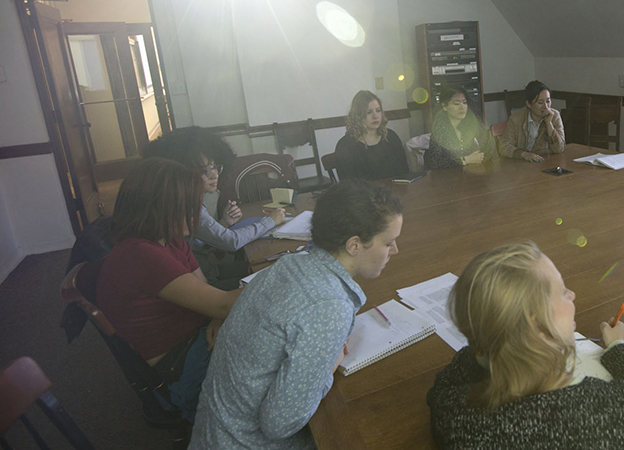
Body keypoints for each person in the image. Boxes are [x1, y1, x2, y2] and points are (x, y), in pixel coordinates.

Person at [191, 180, 404, 449]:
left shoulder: (290, 264)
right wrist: (331, 363)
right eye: (389, 242)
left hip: (214, 431)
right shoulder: (328, 305)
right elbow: (279, 424)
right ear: (354, 245)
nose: (395, 251)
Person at [427, 241, 624, 449]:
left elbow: (444, 387)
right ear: (539, 327)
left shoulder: (457, 418)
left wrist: (491, 343)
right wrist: (619, 350)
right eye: (561, 291)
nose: (572, 295)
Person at [96, 158, 242, 423]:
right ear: (160, 207)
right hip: (182, 367)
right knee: (279, 347)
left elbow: (207, 294)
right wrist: (287, 276)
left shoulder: (171, 240)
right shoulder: (139, 254)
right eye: (189, 206)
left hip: (194, 338)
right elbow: (221, 303)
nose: (197, 213)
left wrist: (217, 315)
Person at [143, 127, 287, 289]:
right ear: (182, 173)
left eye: (215, 167)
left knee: (272, 267)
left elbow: (201, 241)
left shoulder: (190, 201)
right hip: (208, 283)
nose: (214, 175)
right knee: (274, 280)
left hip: (210, 272)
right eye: (205, 170)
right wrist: (270, 221)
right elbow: (231, 242)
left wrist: (224, 223)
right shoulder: (188, 207)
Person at [332, 90, 410, 180]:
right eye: (369, 112)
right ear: (358, 115)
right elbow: (349, 186)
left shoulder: (391, 137)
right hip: (364, 193)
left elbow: (404, 173)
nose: (375, 116)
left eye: (378, 110)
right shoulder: (345, 146)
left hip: (394, 192)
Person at [424, 85, 498, 170]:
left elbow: (488, 151)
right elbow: (434, 162)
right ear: (444, 106)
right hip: (448, 178)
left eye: (464, 102)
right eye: (456, 103)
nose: (462, 107)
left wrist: (479, 159)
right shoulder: (440, 128)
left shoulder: (474, 123)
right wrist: (465, 160)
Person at [498, 80, 565, 162]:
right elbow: (503, 146)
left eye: (548, 101)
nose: (546, 107)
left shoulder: (554, 116)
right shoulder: (515, 119)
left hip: (544, 163)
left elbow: (559, 148)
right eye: (540, 102)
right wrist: (524, 154)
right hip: (520, 165)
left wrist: (549, 124)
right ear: (529, 104)